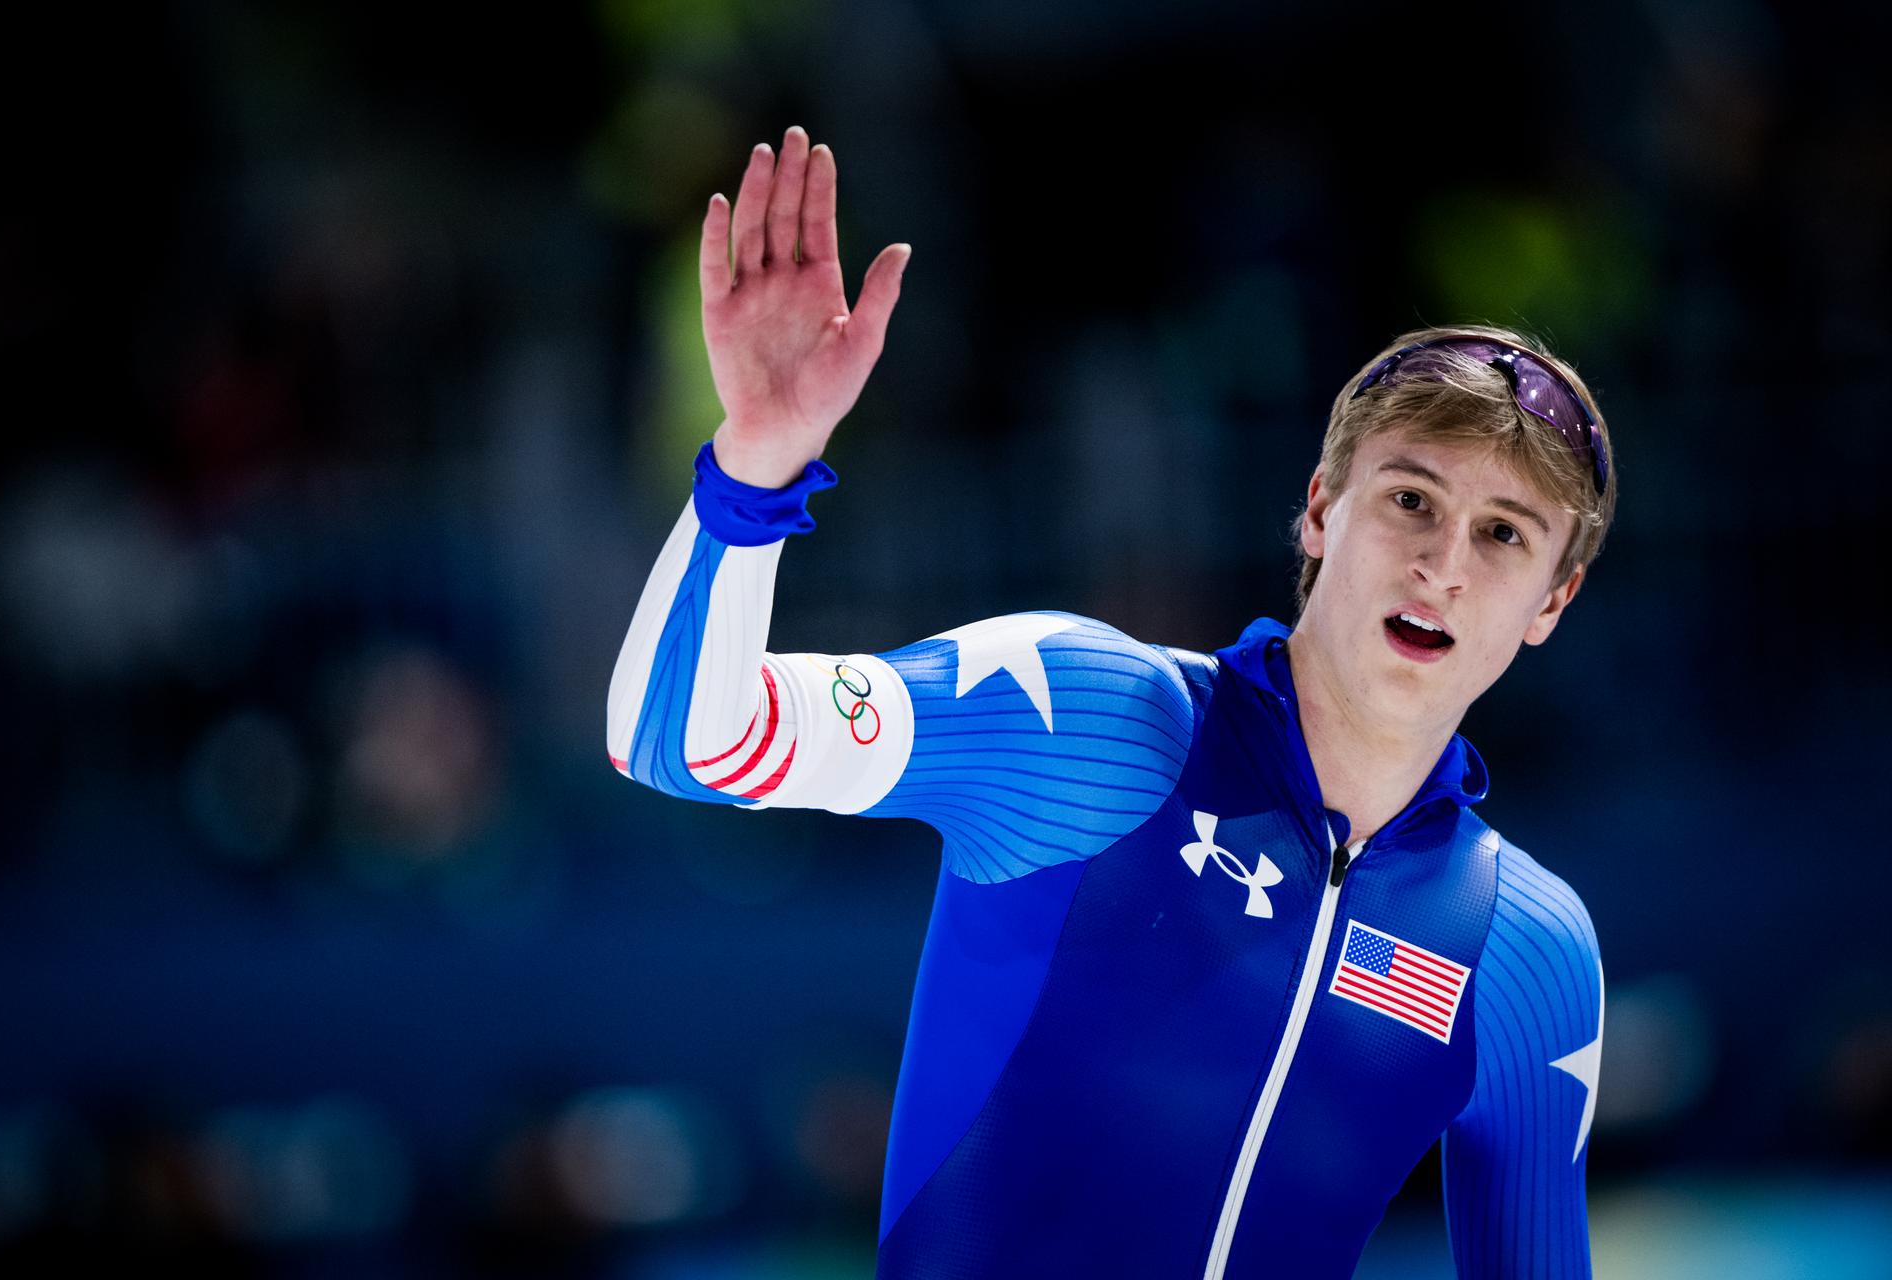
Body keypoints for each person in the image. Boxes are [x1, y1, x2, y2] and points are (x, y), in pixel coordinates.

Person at [607, 126, 1614, 1279]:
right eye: (1411, 499)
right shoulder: (1086, 720)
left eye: (1502, 534)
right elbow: (676, 739)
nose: (1443, 563)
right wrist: (753, 471)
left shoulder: (1527, 950)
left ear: (1553, 599)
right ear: (1321, 510)